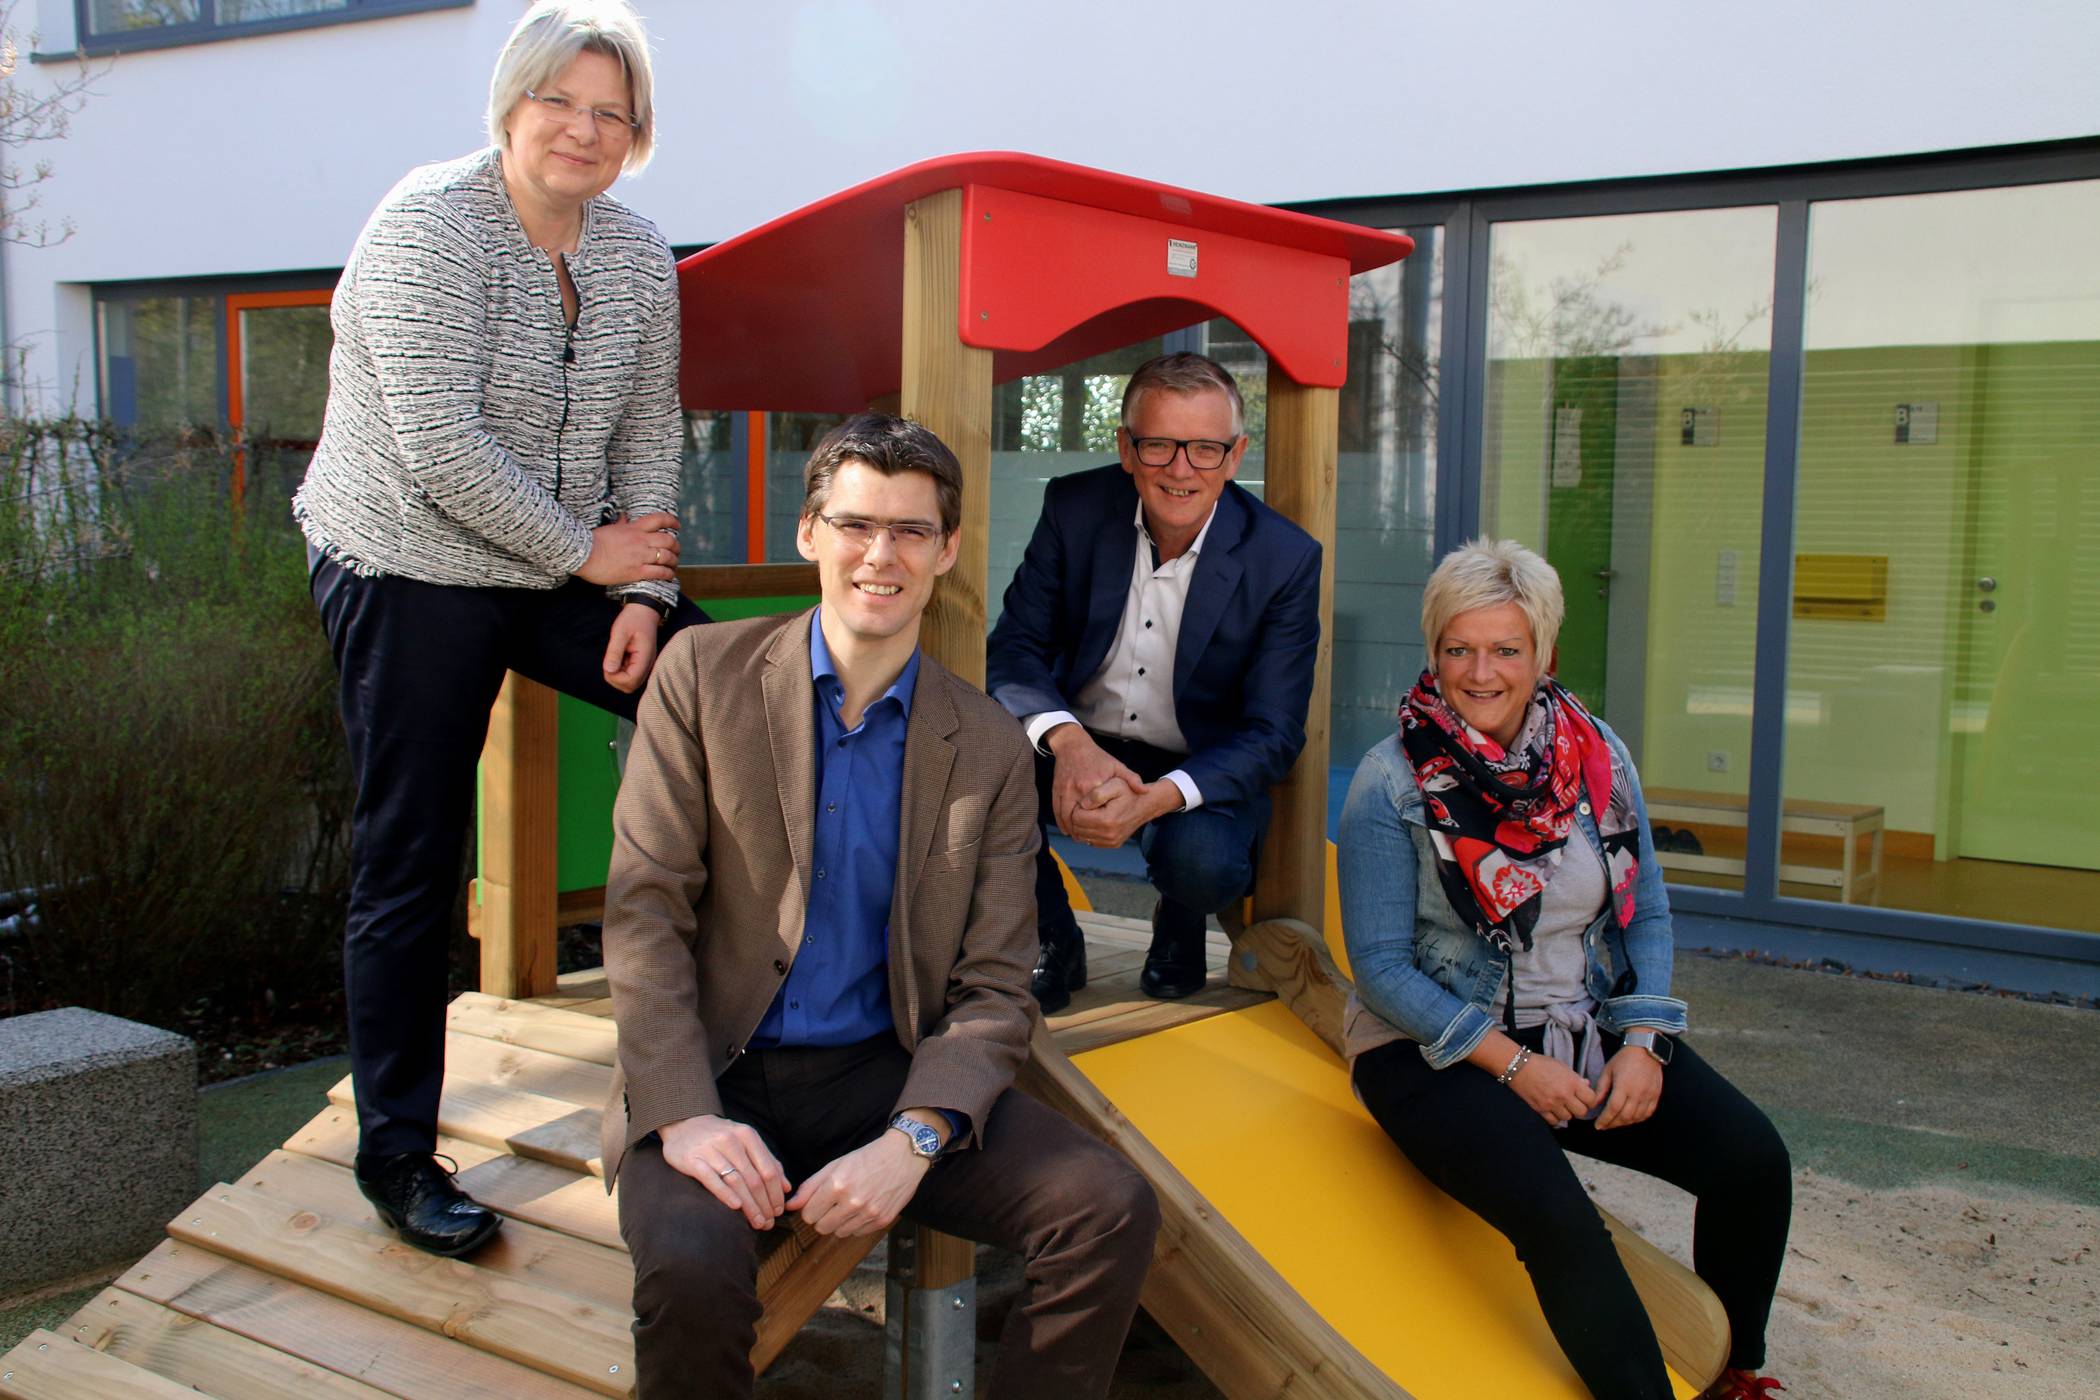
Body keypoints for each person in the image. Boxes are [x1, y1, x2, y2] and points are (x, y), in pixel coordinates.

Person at [601, 414, 1160, 1399]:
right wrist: (682, 1112)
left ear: (946, 549)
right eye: (856, 524)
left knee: (1108, 1206)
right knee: (692, 1273)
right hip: (715, 1068)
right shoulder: (701, 676)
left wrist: (917, 1137)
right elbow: (645, 911)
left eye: (910, 530)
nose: (880, 554)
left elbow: (996, 987)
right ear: (809, 532)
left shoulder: (988, 745)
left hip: (882, 1071)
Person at [293, 0, 706, 1258]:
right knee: (412, 853)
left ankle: (766, 1044)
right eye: (558, 101)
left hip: (565, 559)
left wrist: (642, 594)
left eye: (611, 112)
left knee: (728, 690)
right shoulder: (427, 225)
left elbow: (651, 421)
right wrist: (590, 555)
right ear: (510, 105)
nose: (582, 129)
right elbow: (440, 448)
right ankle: (397, 1155)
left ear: (637, 133)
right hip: (407, 556)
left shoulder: (635, 252)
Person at [1337, 538, 1791, 1400]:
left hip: (1578, 1024)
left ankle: (1733, 1376)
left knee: (1752, 1161)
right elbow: (1383, 972)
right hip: (1433, 1047)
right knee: (1560, 1220)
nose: (1481, 673)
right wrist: (1515, 1067)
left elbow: (1645, 910)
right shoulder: (1390, 781)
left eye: (1506, 649)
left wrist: (1643, 1041)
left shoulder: (1596, 756)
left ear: (1543, 653)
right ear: (1433, 651)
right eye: (1459, 649)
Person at [986, 351, 1322, 1013]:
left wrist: (1156, 800)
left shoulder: (1283, 558)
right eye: (1159, 444)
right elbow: (1015, 647)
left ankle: (1179, 917)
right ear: (1126, 448)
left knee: (1203, 864)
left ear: (1235, 455)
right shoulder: (1074, 508)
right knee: (965, 775)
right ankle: (1052, 935)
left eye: (1205, 448)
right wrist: (1069, 745)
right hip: (1077, 737)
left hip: (1195, 760)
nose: (1180, 469)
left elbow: (1274, 731)